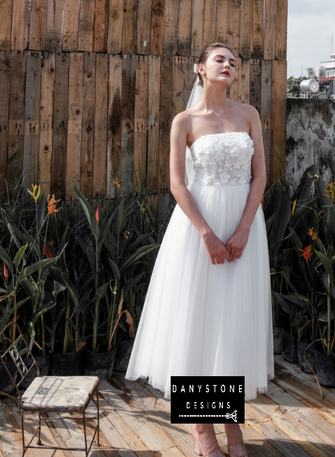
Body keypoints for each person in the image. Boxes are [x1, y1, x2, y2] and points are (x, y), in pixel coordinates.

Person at [126, 43, 274, 457]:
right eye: (220, 60)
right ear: (200, 69)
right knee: (199, 321)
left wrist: (244, 228)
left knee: (231, 322)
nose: (228, 65)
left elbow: (260, 175)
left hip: (243, 226)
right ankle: (201, 429)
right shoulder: (184, 121)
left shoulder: (248, 115)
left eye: (233, 62)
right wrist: (206, 234)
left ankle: (232, 425)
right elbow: (177, 183)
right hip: (199, 228)